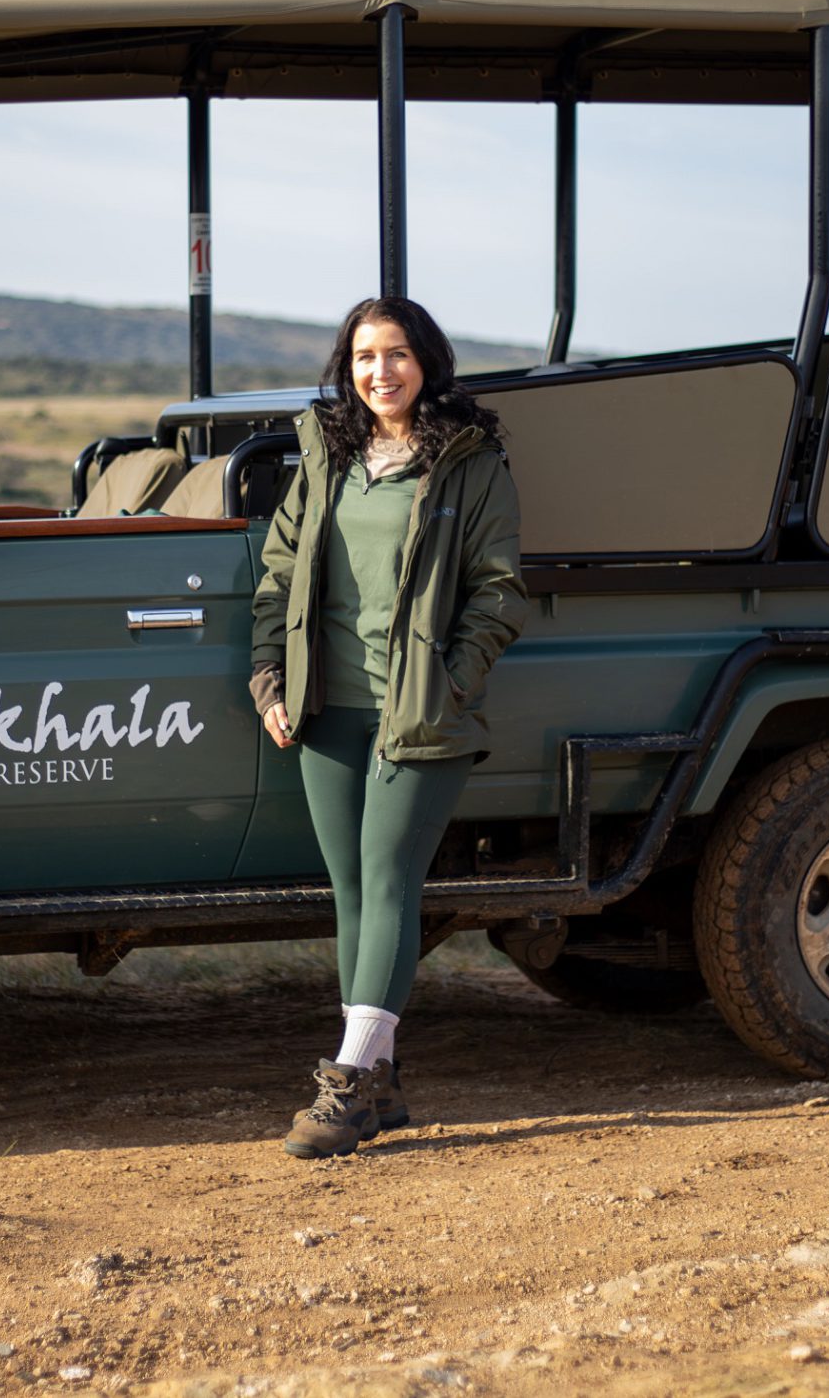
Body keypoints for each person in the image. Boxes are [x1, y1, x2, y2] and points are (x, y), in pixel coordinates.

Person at [250, 296, 525, 1159]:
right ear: (347, 366)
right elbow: (280, 573)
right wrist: (270, 679)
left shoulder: (471, 463)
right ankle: (384, 1080)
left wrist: (451, 681)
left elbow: (498, 591)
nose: (381, 372)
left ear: (427, 361)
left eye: (397, 354)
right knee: (356, 895)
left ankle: (346, 1084)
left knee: (392, 879)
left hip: (419, 712)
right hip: (329, 709)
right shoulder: (326, 455)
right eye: (365, 356)